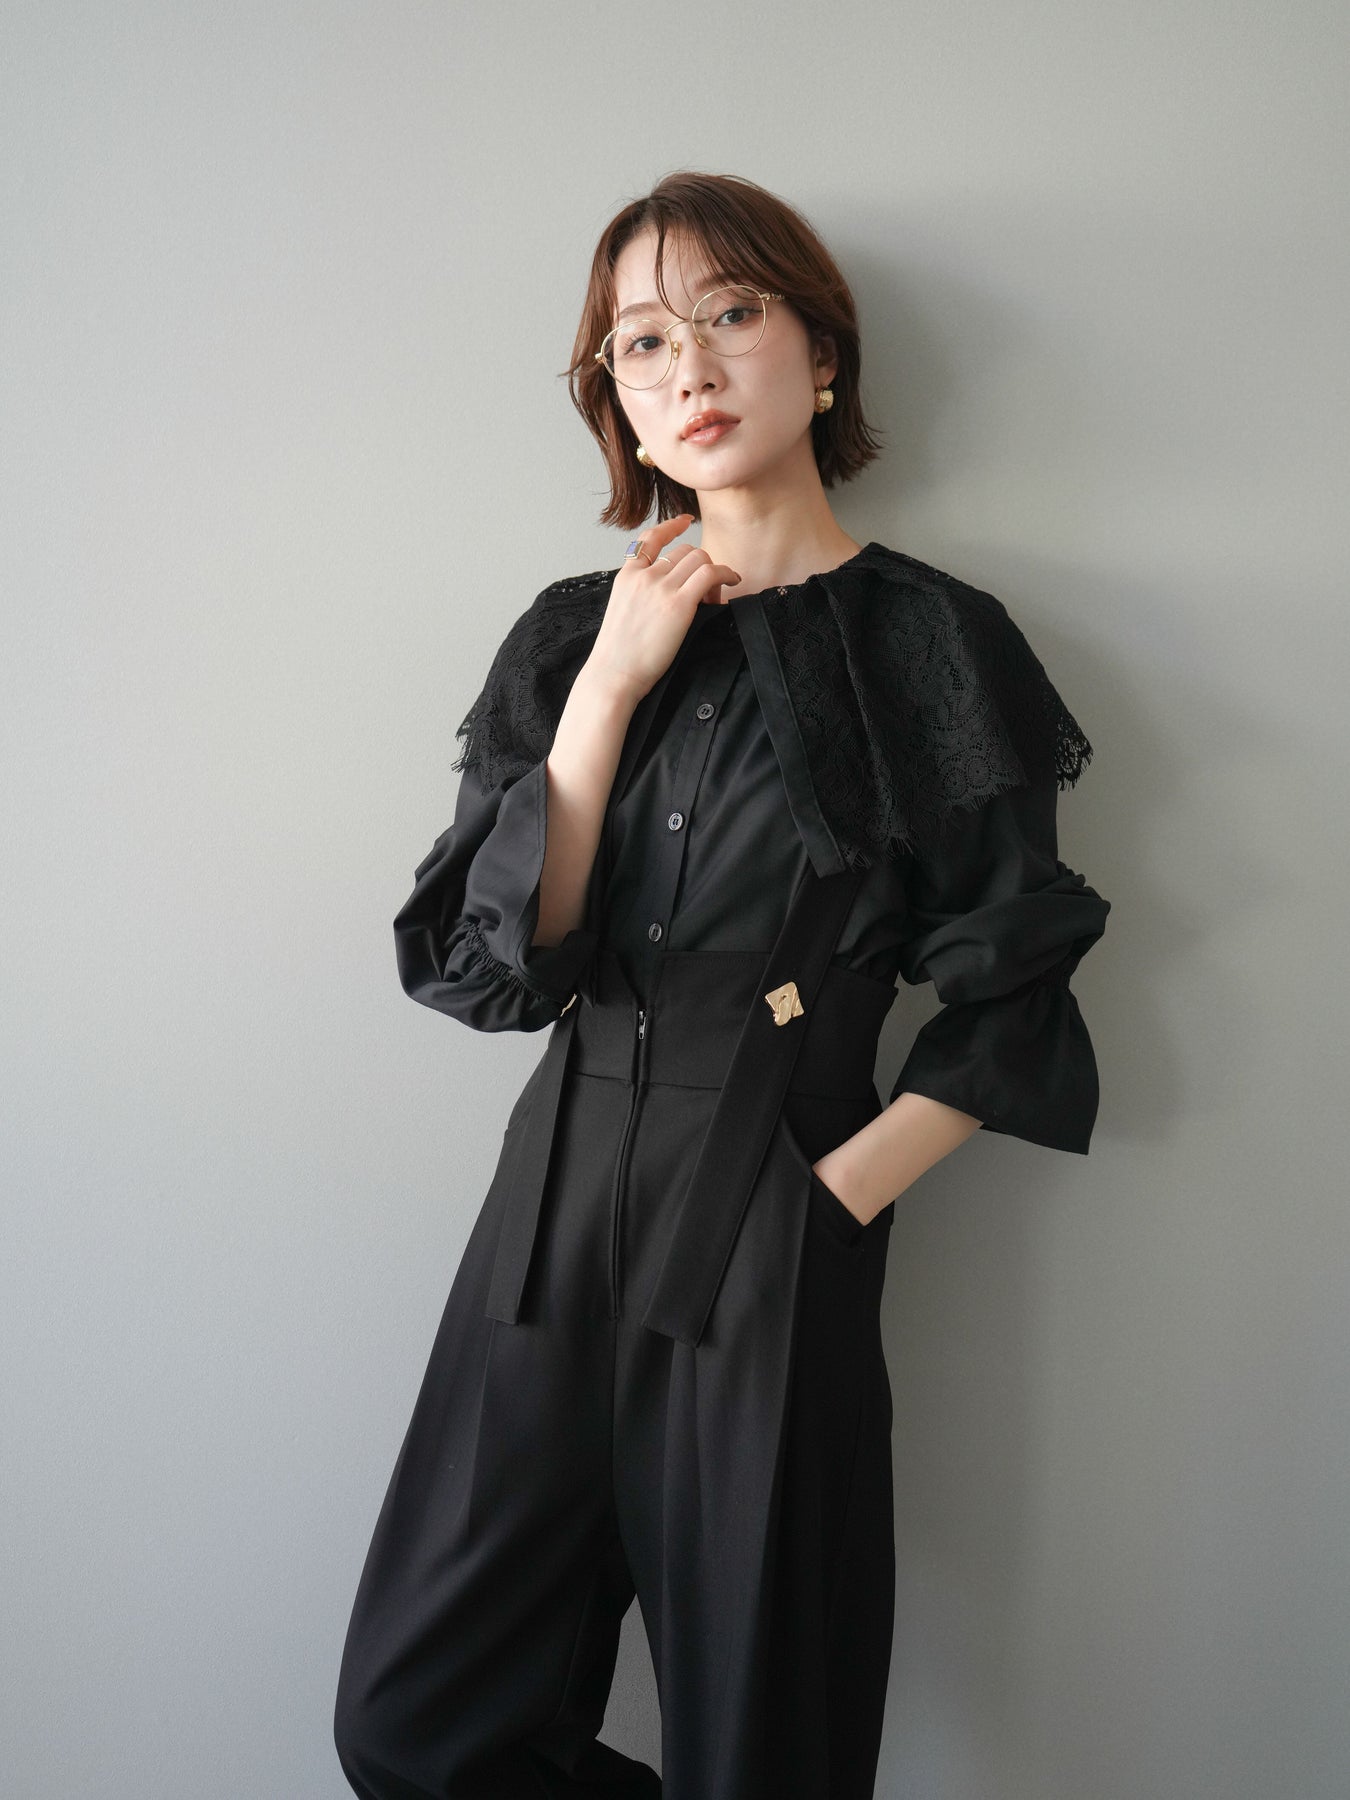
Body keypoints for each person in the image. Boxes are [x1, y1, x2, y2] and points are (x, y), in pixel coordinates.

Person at [333, 170, 1110, 1800]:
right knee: (413, 1725)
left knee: (764, 1743)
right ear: (613, 398)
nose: (685, 366)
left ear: (819, 357)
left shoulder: (930, 643)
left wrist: (827, 1207)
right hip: (546, 1212)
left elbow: (1011, 983)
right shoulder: (567, 637)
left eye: (730, 315)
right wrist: (607, 694)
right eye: (639, 342)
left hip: (772, 1205)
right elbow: (496, 977)